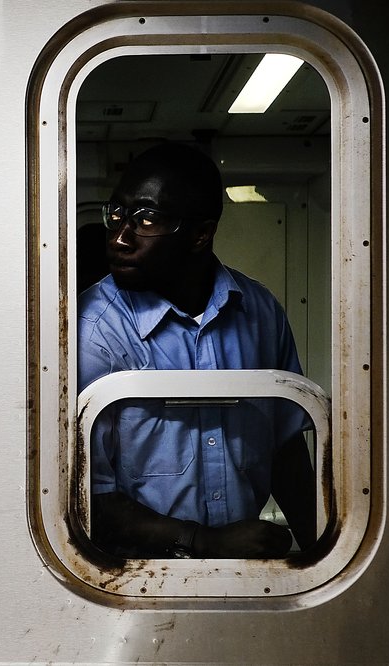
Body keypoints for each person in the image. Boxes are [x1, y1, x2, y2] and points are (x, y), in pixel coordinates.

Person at [76, 142, 316, 558]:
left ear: (200, 234)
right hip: (126, 578)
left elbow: (285, 448)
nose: (118, 237)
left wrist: (324, 556)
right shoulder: (93, 330)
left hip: (250, 571)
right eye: (116, 213)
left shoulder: (259, 311)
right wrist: (203, 541)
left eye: (146, 219)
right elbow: (83, 492)